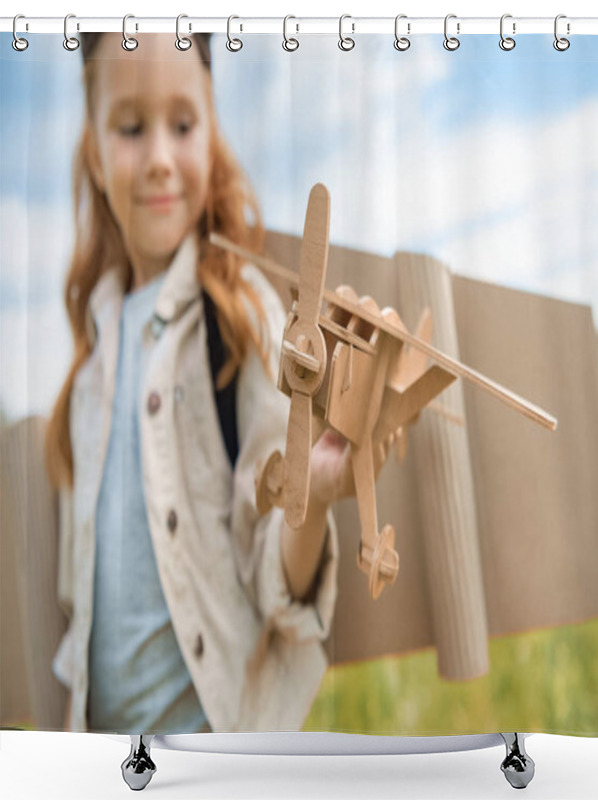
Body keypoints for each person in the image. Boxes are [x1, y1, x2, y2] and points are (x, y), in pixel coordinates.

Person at [44, 31, 385, 734]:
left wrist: (312, 496)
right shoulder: (88, 370)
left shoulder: (242, 315)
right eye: (131, 128)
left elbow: (276, 581)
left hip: (217, 751)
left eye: (183, 124)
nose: (161, 159)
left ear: (213, 135)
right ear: (94, 149)